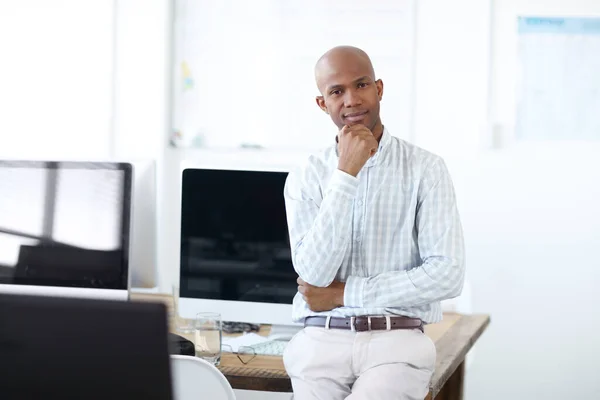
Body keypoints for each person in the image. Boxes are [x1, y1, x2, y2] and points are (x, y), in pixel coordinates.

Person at [282, 45, 466, 400]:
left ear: (379, 89)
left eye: (361, 85)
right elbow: (313, 273)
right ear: (323, 103)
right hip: (321, 341)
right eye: (337, 91)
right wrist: (346, 173)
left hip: (395, 342)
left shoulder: (426, 169)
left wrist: (343, 293)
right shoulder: (306, 175)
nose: (351, 100)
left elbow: (448, 273)